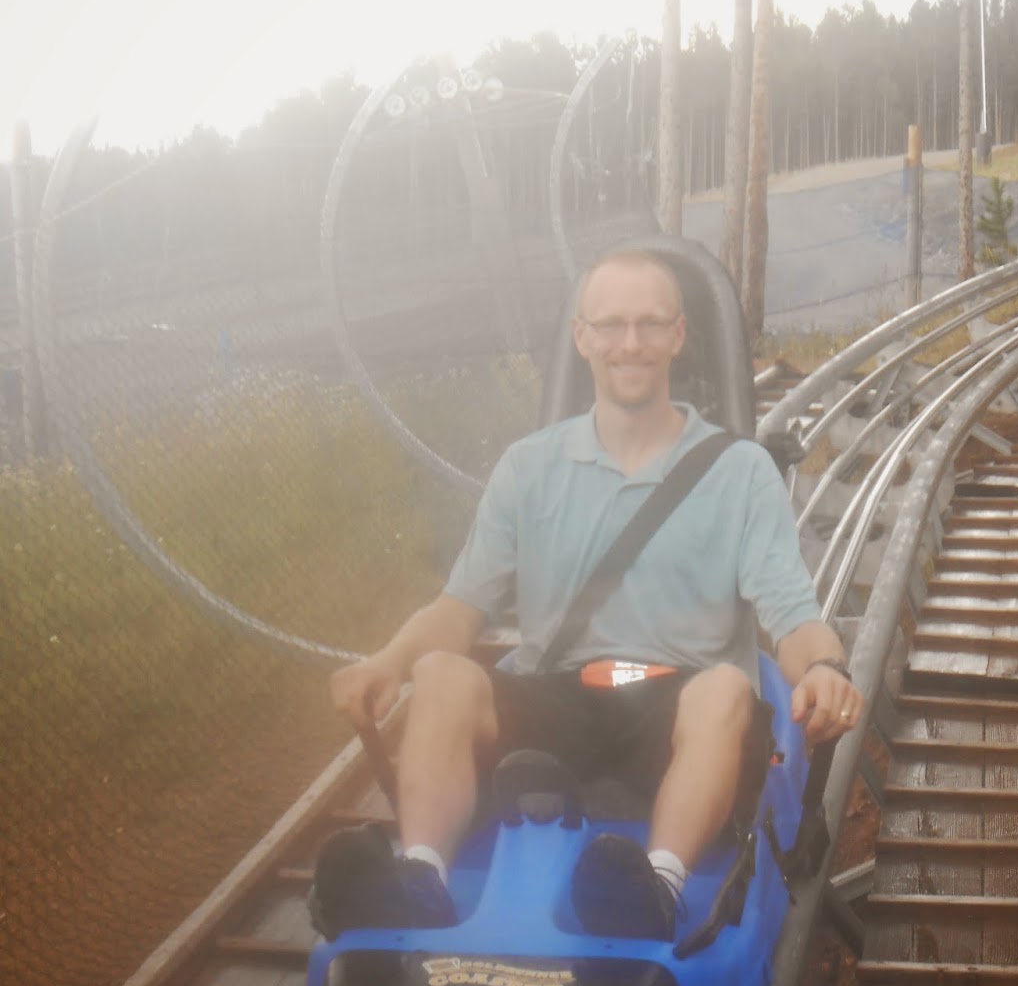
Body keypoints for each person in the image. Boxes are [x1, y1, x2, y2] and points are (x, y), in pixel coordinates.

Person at [326, 248, 864, 941]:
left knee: (726, 688)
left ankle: (654, 886)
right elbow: (459, 611)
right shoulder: (528, 468)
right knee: (439, 674)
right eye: (610, 325)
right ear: (582, 337)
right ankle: (420, 876)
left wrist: (824, 668)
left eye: (649, 324)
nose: (629, 343)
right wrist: (388, 663)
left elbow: (794, 617)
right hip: (558, 700)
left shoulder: (741, 473)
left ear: (678, 336)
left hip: (678, 710)